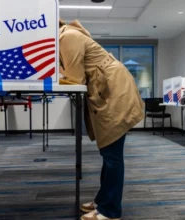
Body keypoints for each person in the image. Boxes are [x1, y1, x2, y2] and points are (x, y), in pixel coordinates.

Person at [59, 19, 144, 220]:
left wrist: (58, 75)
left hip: (113, 91)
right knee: (109, 152)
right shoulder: (69, 34)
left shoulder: (67, 36)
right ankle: (103, 200)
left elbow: (75, 78)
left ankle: (110, 210)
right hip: (110, 89)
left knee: (112, 155)